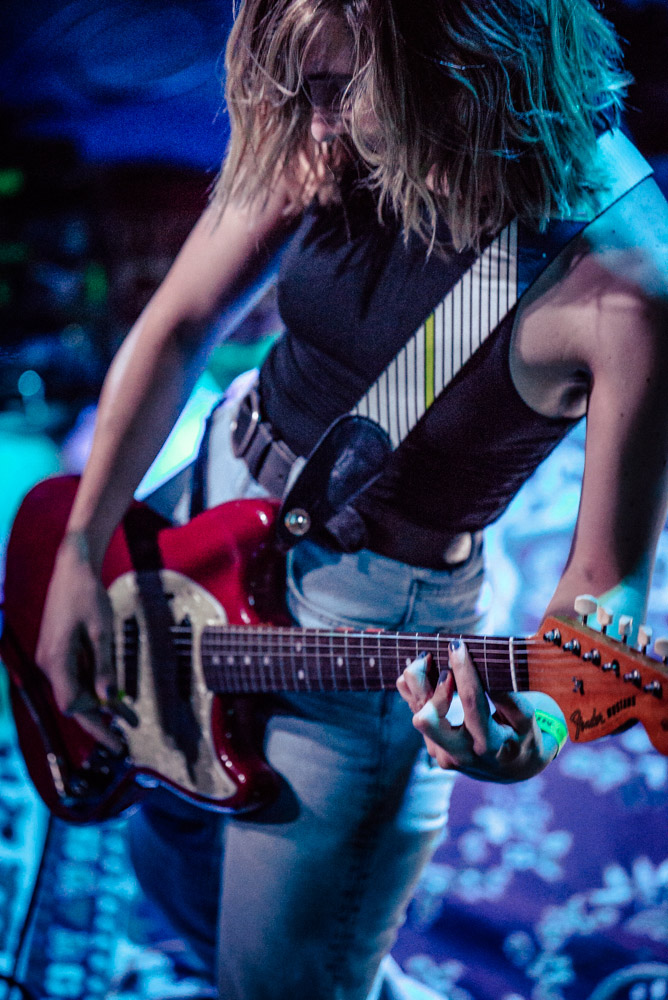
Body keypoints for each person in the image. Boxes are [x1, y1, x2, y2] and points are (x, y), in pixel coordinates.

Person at [34, 0, 668, 997]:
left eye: (332, 93)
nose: (309, 125)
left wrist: (532, 731)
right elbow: (180, 320)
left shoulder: (623, 279)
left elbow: (603, 590)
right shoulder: (336, 110)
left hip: (369, 621)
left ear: (458, 73)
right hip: (207, 503)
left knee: (284, 982)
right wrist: (82, 547)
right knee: (172, 853)